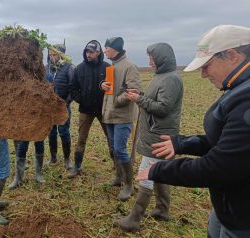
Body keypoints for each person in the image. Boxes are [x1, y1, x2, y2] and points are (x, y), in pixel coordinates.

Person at [138, 25, 250, 237]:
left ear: (233, 56)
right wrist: (181, 143)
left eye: (207, 66)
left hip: (243, 218)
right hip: (230, 206)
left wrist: (159, 171)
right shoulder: (237, 89)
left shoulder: (246, 99)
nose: (203, 74)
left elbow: (218, 167)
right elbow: (224, 143)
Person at [114, 42, 183, 232]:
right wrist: (142, 94)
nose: (150, 61)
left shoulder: (170, 79)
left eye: (152, 57)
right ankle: (162, 209)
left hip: (159, 135)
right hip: (157, 132)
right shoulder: (161, 76)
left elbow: (163, 108)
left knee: (147, 174)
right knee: (160, 171)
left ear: (162, 58)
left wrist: (139, 99)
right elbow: (156, 100)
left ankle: (134, 219)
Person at [101, 36, 142, 201]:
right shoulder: (113, 66)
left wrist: (117, 101)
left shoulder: (129, 66)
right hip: (110, 115)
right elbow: (111, 86)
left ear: (115, 49)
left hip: (122, 116)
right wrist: (102, 85)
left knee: (120, 150)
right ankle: (118, 177)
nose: (105, 51)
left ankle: (128, 185)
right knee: (113, 148)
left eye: (107, 48)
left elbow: (135, 90)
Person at [68, 40, 113, 179]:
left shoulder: (108, 68)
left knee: (111, 138)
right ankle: (77, 167)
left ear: (98, 53)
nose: (88, 54)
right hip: (85, 110)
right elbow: (73, 87)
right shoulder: (79, 68)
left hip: (103, 110)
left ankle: (118, 168)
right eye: (87, 51)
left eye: (91, 52)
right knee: (81, 139)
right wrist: (80, 99)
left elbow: (112, 88)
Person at [45, 43, 74, 170]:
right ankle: (53, 157)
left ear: (61, 55)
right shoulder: (46, 69)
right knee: (51, 133)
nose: (52, 57)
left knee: (64, 132)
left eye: (55, 54)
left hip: (63, 107)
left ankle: (67, 160)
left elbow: (73, 87)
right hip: (49, 108)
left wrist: (66, 102)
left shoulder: (69, 67)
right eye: (50, 54)